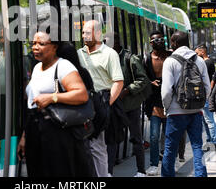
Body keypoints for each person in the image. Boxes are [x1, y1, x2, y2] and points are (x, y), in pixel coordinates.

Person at [16, 30, 95, 177]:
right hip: (36, 130)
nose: (35, 47)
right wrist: (25, 137)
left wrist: (52, 97)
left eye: (41, 43)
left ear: (54, 46)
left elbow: (82, 94)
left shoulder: (63, 66)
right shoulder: (36, 68)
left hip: (56, 133)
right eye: (33, 43)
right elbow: (32, 106)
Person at [161, 31, 211, 177]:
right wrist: (199, 104)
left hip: (175, 113)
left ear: (175, 43)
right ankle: (201, 174)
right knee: (197, 147)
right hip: (195, 112)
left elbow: (166, 91)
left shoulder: (170, 61)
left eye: (171, 42)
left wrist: (167, 107)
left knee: (170, 148)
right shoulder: (200, 61)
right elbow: (207, 87)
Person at [78, 20, 124, 177]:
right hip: (82, 105)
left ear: (98, 34)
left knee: (97, 148)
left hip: (100, 103)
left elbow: (118, 81)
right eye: (83, 32)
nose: (84, 35)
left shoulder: (110, 54)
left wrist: (106, 104)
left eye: (87, 32)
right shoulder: (79, 54)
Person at [105, 33, 150, 177]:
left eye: (109, 42)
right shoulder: (105, 58)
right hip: (113, 105)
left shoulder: (130, 58)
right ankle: (108, 172)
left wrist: (127, 90)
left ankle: (141, 170)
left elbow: (143, 80)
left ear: (117, 43)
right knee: (112, 139)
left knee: (136, 138)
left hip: (130, 105)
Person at [143, 30, 171, 176]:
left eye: (162, 39)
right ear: (151, 43)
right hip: (154, 101)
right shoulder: (147, 59)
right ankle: (154, 164)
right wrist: (150, 82)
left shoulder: (170, 56)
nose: (159, 42)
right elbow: (142, 77)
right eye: (156, 40)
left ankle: (167, 162)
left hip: (169, 101)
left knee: (168, 135)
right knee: (154, 136)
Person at [195, 44, 216, 151]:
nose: (196, 55)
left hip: (206, 94)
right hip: (206, 94)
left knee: (209, 120)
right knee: (206, 120)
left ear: (202, 52)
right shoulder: (208, 62)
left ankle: (214, 142)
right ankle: (210, 141)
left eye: (197, 53)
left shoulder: (206, 63)